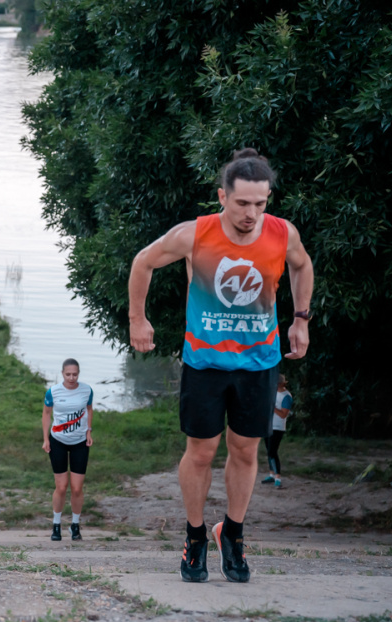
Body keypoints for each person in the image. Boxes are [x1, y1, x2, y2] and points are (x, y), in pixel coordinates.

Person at [128, 148, 314, 584]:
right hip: (206, 363)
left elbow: (302, 267)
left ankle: (231, 533)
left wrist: (300, 320)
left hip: (258, 362)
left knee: (246, 450)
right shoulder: (196, 234)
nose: (252, 213)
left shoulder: (282, 233)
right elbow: (144, 261)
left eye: (261, 204)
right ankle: (195, 537)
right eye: (242, 203)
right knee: (202, 452)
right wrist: (138, 318)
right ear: (222, 197)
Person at [42, 358, 93, 542]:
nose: (71, 378)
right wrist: (46, 439)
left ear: (78, 374)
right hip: (58, 441)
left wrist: (89, 431)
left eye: (75, 374)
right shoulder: (53, 392)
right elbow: (47, 413)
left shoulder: (87, 390)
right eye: (68, 374)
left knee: (77, 488)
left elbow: (89, 409)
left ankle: (75, 525)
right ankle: (56, 525)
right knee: (61, 487)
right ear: (62, 373)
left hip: (80, 442)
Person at [262, 374, 293, 489]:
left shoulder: (286, 396)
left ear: (280, 384)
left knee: (272, 451)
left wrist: (272, 407)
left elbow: (283, 414)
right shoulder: (273, 393)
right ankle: (272, 474)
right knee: (269, 450)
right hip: (268, 425)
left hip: (278, 427)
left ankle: (278, 477)